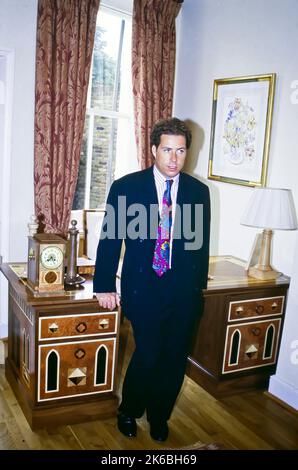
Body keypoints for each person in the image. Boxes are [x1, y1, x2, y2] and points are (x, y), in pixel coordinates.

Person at [93, 117, 210, 442]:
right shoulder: (127, 187)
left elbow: (200, 245)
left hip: (183, 292)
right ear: (154, 149)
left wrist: (197, 290)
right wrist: (103, 285)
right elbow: (110, 239)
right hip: (143, 288)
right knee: (147, 354)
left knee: (174, 359)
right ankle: (129, 410)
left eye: (181, 151)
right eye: (168, 150)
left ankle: (160, 415)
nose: (174, 159)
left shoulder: (199, 192)